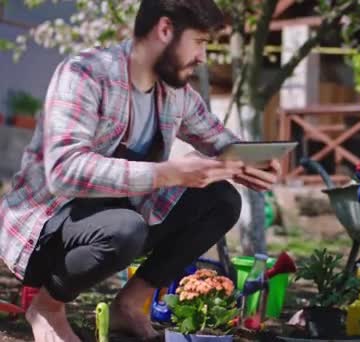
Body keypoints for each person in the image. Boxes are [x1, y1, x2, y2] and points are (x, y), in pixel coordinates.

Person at [0, 0, 280, 341]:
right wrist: (166, 173)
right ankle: (46, 308)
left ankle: (130, 305)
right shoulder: (85, 73)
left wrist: (252, 161)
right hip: (47, 225)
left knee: (221, 199)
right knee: (125, 228)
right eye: (200, 41)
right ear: (165, 31)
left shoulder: (173, 92)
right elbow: (63, 170)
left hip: (115, 218)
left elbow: (217, 138)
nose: (203, 57)